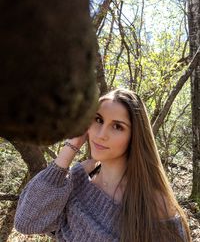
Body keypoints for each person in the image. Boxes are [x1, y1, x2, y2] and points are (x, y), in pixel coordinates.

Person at [14, 88, 191, 242]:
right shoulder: (78, 181)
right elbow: (26, 222)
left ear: (135, 137)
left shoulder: (153, 203)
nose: (101, 134)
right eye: (98, 120)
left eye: (117, 127)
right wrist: (71, 148)